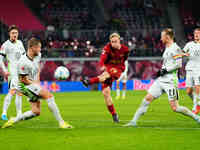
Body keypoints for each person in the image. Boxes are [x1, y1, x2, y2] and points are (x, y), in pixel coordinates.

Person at [124, 28, 200, 127]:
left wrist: (165, 70)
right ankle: (133, 121)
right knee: (146, 99)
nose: (160, 38)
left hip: (171, 81)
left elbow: (178, 64)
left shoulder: (175, 48)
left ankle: (197, 118)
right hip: (161, 80)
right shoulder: (167, 47)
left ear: (167, 37)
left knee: (175, 107)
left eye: (162, 36)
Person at [2, 37, 72, 129]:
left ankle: (13, 120)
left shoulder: (38, 55)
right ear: (32, 48)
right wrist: (34, 84)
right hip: (23, 85)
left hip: (31, 83)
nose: (40, 49)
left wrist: (37, 82)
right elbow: (23, 80)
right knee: (49, 96)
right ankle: (61, 123)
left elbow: (37, 68)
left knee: (36, 112)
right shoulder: (23, 62)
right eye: (38, 47)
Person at [81, 33, 129, 123]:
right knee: (106, 93)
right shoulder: (107, 48)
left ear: (119, 41)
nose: (114, 43)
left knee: (106, 75)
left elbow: (124, 60)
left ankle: (89, 81)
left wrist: (121, 69)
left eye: (115, 41)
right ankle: (114, 115)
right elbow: (102, 57)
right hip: (109, 67)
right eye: (112, 42)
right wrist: (102, 65)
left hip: (118, 69)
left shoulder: (125, 50)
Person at [0, 25, 25, 120]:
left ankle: (19, 114)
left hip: (20, 71)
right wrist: (5, 70)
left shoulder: (20, 43)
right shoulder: (5, 45)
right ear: (9, 34)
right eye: (13, 33)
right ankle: (4, 113)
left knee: (19, 92)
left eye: (16, 33)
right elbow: (0, 59)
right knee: (13, 91)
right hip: (12, 71)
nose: (15, 35)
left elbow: (23, 57)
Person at [183, 28, 200, 114]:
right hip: (189, 68)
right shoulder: (189, 44)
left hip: (199, 68)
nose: (196, 34)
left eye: (198, 33)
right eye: (195, 33)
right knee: (188, 91)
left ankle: (195, 106)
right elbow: (182, 53)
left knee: (198, 87)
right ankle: (198, 102)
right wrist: (185, 54)